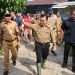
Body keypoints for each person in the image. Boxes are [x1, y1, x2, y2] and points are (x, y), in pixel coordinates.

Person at [0, 11, 20, 75]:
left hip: (14, 41)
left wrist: (18, 41)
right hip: (5, 42)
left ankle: (14, 59)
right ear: (4, 17)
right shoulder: (1, 24)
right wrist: (1, 42)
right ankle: (6, 70)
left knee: (15, 54)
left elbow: (17, 33)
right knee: (6, 57)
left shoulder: (14, 23)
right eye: (6, 16)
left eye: (9, 16)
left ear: (10, 16)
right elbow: (0, 34)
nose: (8, 17)